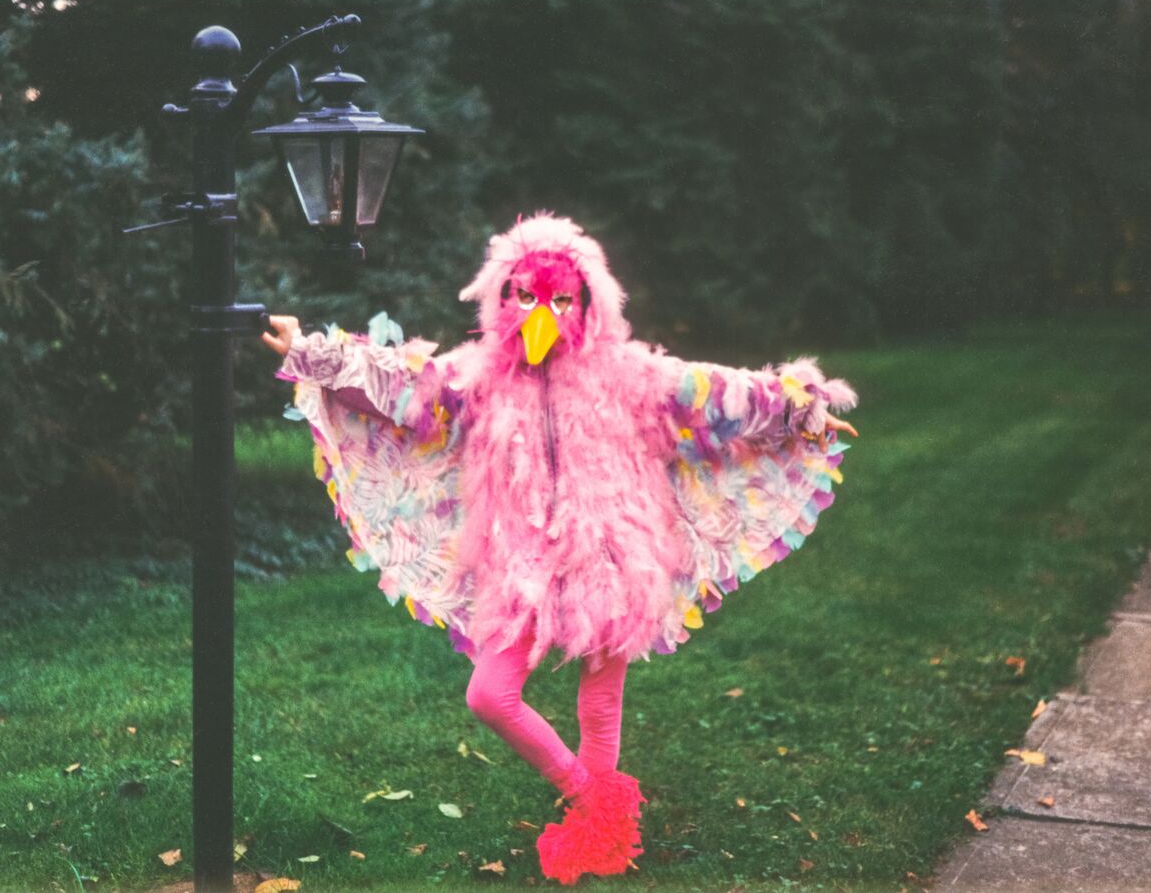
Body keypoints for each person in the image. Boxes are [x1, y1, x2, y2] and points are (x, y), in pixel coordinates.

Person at [263, 213, 858, 884]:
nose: (540, 313)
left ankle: (601, 826)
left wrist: (798, 408)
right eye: (525, 295)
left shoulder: (627, 374)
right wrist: (309, 350)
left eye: (559, 298)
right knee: (490, 694)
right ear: (502, 296)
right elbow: (403, 388)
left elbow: (713, 394)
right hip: (521, 563)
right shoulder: (477, 376)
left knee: (600, 702)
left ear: (587, 302)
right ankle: (591, 796)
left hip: (609, 554)